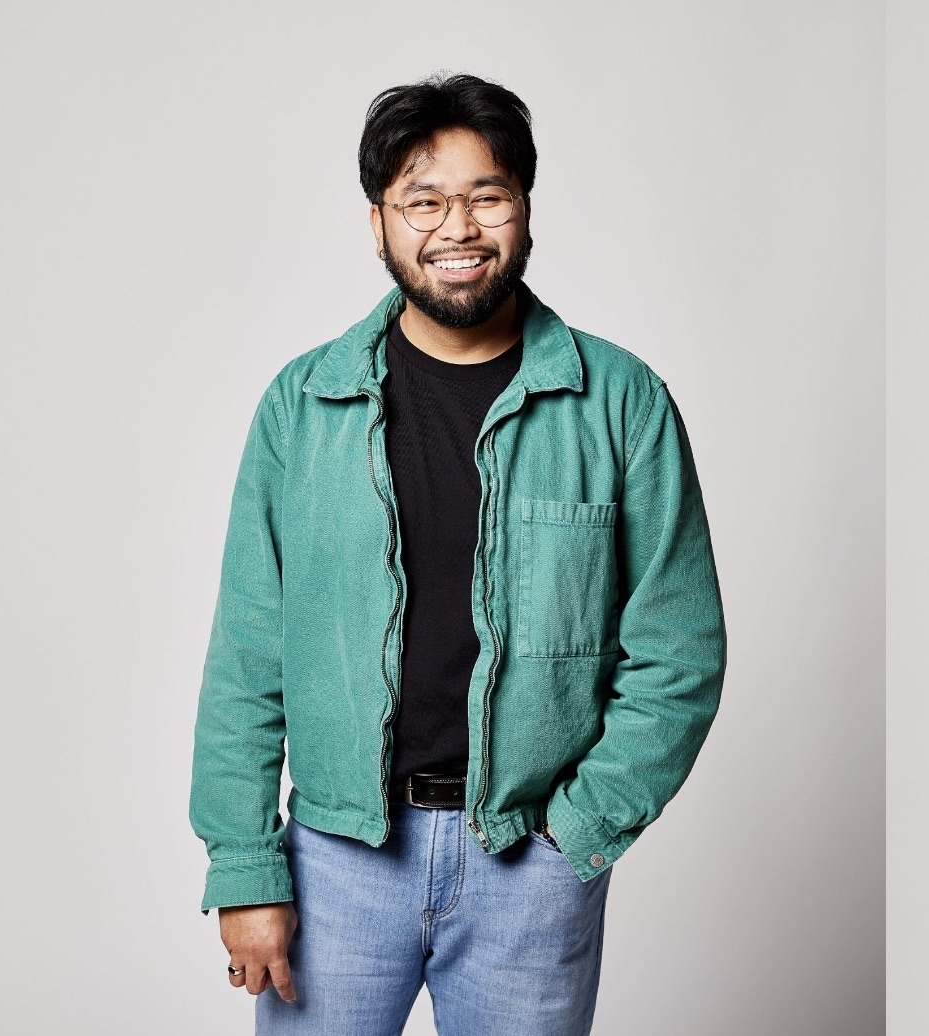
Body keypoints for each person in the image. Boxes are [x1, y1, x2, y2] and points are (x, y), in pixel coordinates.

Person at [190, 73, 726, 1035]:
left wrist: (577, 837)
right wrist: (244, 865)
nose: (458, 228)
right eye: (423, 201)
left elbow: (677, 652)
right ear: (379, 223)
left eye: (486, 196)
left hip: (528, 862)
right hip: (336, 860)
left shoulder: (621, 404)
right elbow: (247, 653)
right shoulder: (302, 407)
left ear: (524, 209)